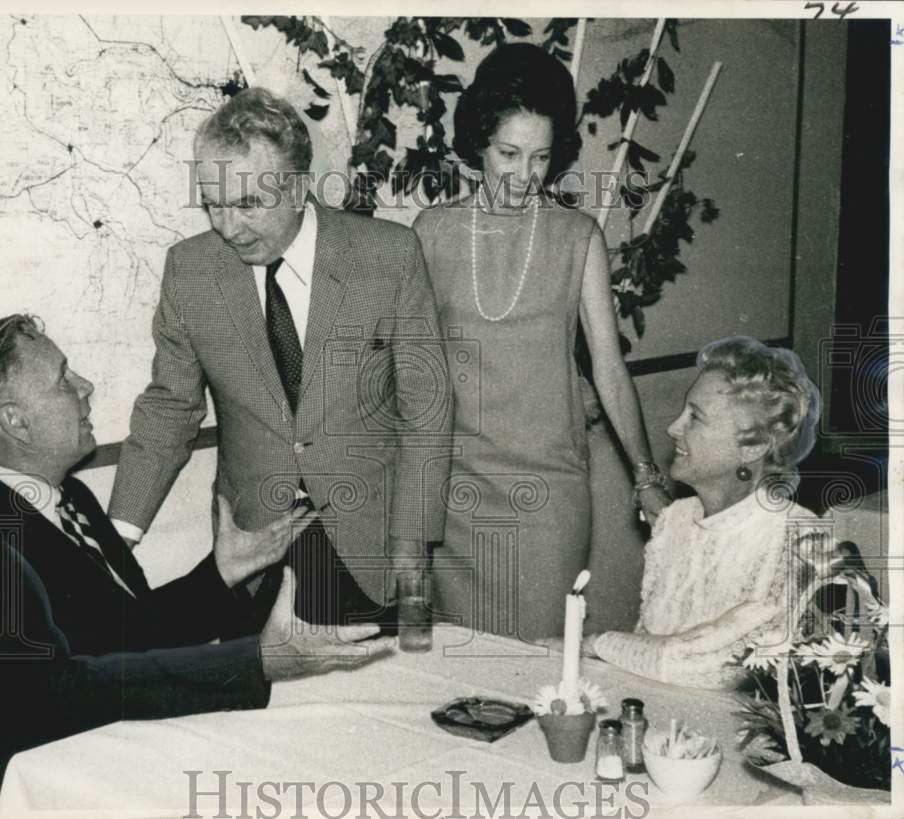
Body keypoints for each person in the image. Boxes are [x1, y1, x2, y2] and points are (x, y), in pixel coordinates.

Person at [0, 315, 394, 806]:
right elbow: (56, 699)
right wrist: (252, 663)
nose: (86, 387)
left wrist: (221, 573)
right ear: (15, 422)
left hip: (138, 748)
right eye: (63, 379)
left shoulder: (66, 495)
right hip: (75, 787)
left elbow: (133, 634)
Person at [109, 88, 451, 629]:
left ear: (296, 190)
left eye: (246, 204)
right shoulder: (190, 271)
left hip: (371, 545)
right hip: (251, 548)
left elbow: (425, 411)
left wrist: (413, 541)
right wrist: (118, 538)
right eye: (212, 204)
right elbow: (170, 409)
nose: (226, 227)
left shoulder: (387, 256)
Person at [412, 44, 670, 640]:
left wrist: (646, 475)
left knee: (540, 662)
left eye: (541, 158)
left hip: (548, 492)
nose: (525, 176)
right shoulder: (432, 231)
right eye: (509, 154)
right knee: (464, 677)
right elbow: (411, 368)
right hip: (455, 491)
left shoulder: (578, 237)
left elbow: (607, 365)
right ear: (478, 143)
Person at [585, 337, 827, 689]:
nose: (673, 428)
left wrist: (595, 644)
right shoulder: (675, 519)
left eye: (694, 418)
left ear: (754, 446)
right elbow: (646, 640)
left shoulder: (798, 536)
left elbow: (721, 667)